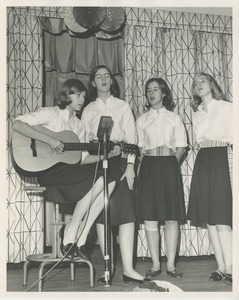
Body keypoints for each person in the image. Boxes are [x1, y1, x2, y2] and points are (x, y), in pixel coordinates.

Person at [11, 78, 119, 260]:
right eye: (78, 94)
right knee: (99, 179)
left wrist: (106, 156)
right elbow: (17, 124)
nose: (82, 99)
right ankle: (71, 230)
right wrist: (49, 140)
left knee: (111, 179)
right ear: (66, 93)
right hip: (46, 170)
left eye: (84, 96)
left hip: (68, 171)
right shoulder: (50, 113)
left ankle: (81, 237)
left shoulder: (78, 126)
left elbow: (82, 158)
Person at [81, 65, 147, 284]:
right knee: (101, 213)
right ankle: (107, 268)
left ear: (111, 81)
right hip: (97, 162)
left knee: (127, 213)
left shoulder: (122, 106)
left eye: (107, 76)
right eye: (98, 76)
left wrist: (130, 166)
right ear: (93, 82)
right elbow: (83, 141)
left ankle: (128, 269)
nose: (103, 79)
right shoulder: (88, 109)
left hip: (120, 163)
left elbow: (131, 138)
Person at [136, 78, 187, 279]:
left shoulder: (174, 119)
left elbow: (182, 146)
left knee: (171, 217)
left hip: (169, 166)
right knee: (151, 217)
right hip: (149, 166)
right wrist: (148, 164)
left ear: (163, 93)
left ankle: (171, 265)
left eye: (155, 89)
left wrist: (170, 164)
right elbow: (139, 148)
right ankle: (156, 264)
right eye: (148, 90)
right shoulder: (141, 120)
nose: (151, 93)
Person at [187, 72, 233, 286]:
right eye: (195, 84)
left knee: (222, 215)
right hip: (203, 159)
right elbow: (199, 141)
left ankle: (232, 267)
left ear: (212, 84)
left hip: (222, 157)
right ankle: (221, 267)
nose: (199, 85)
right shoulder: (197, 113)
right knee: (209, 217)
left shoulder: (226, 107)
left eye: (202, 81)